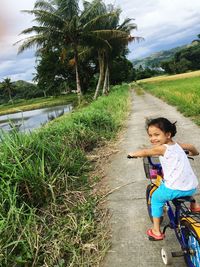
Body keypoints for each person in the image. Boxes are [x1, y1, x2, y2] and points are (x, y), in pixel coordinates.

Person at [128, 117, 200, 241]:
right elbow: (192, 147)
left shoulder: (162, 148)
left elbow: (146, 152)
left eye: (157, 134)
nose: (152, 138)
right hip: (192, 187)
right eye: (150, 135)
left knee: (156, 198)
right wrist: (193, 153)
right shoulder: (179, 145)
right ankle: (194, 206)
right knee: (183, 185)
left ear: (168, 134)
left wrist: (132, 154)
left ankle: (156, 231)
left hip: (175, 189)